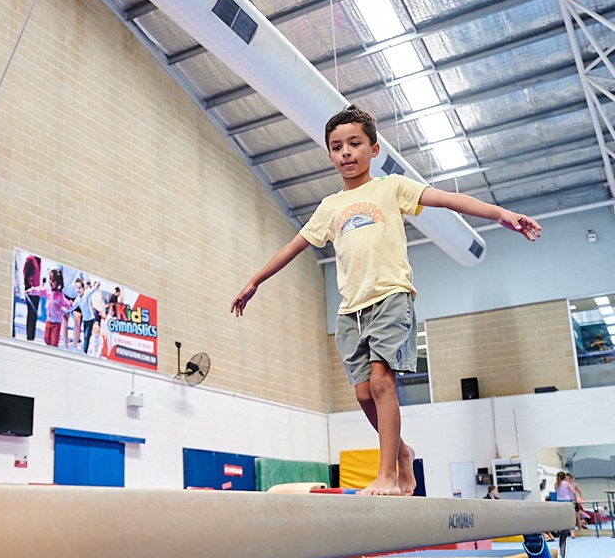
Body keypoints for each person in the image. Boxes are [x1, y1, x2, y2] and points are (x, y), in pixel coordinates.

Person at [231, 105, 541, 496]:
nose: (345, 152)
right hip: (350, 310)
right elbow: (293, 246)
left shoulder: (391, 187)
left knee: (381, 384)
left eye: (354, 143)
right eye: (336, 146)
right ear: (329, 154)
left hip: (391, 296)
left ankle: (389, 475)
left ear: (374, 149)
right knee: (364, 394)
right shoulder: (329, 207)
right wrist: (255, 281)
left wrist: (499, 214)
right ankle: (403, 452)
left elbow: (446, 199)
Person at [26, 267, 74, 348]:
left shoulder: (60, 295)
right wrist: (30, 291)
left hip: (56, 323)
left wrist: (70, 304)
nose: (51, 282)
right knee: (46, 338)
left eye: (53, 280)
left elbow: (66, 303)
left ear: (58, 283)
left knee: (54, 342)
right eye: (50, 279)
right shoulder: (48, 291)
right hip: (48, 321)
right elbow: (39, 290)